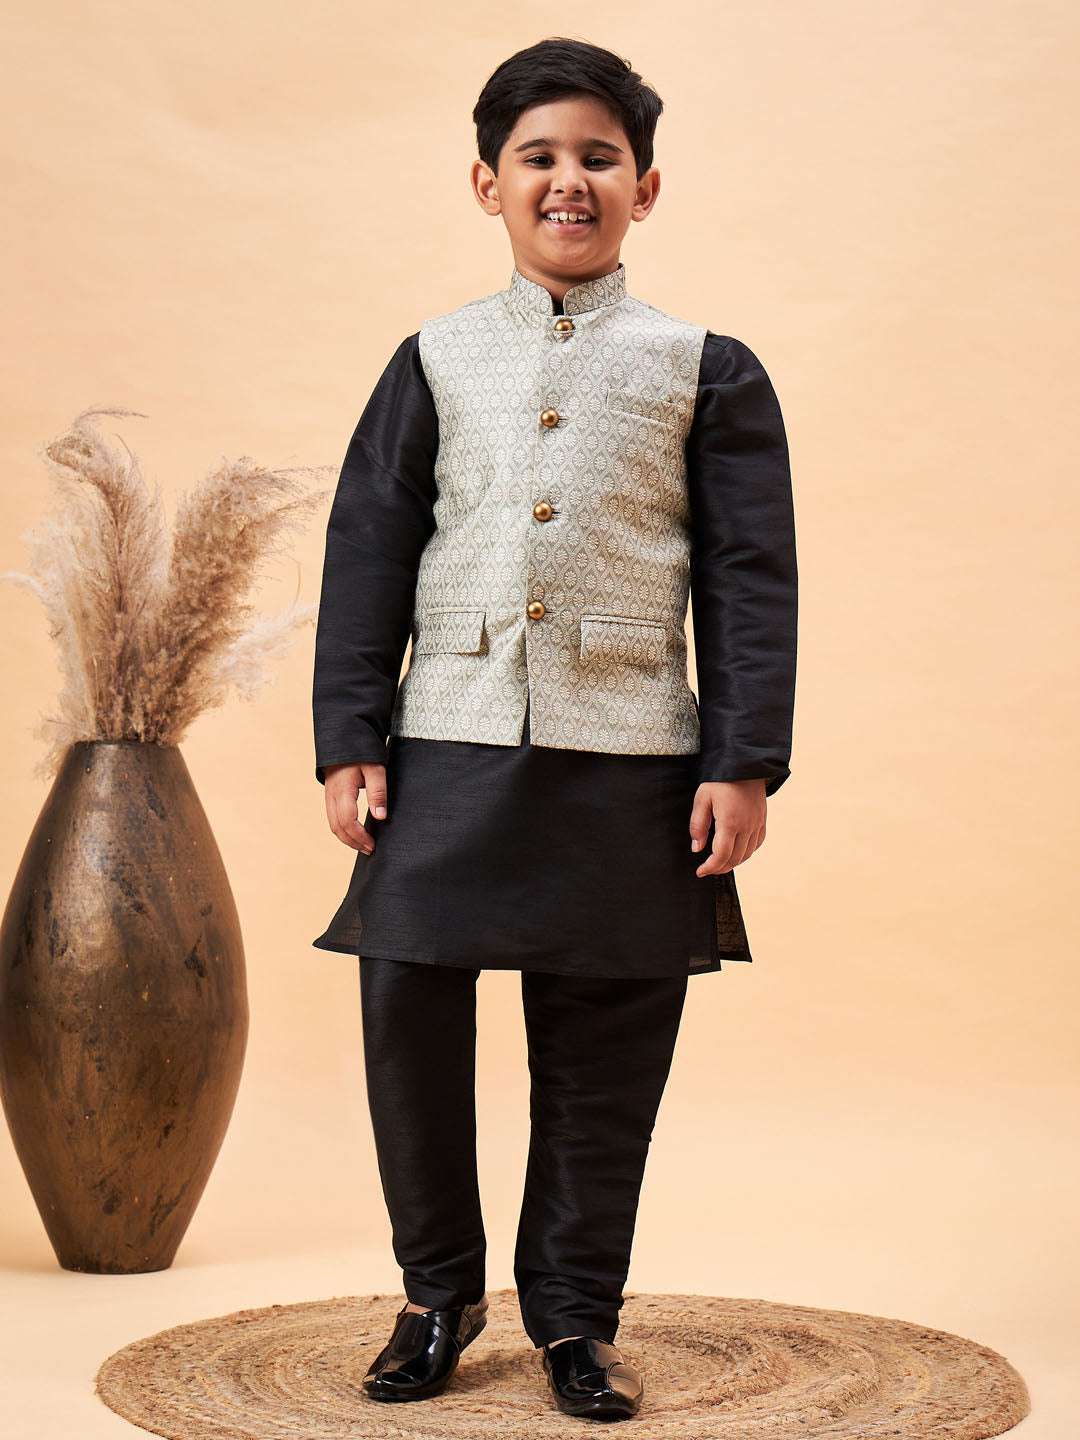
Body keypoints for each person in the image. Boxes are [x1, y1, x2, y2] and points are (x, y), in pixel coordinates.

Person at [311, 36, 798, 1421]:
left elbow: (749, 575)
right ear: (489, 184)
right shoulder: (433, 358)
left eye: (600, 157)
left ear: (647, 187)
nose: (568, 180)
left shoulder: (707, 367)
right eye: (539, 157)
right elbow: (368, 548)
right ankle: (436, 1297)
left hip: (632, 752)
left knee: (608, 1047)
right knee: (407, 1006)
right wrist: (351, 735)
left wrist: (742, 761)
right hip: (445, 739)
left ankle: (576, 1320)